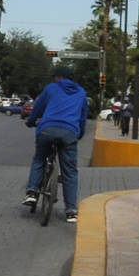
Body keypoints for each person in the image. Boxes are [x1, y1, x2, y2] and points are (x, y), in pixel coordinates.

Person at [22, 65, 88, 223]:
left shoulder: (51, 88)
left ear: (58, 77)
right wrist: (79, 134)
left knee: (39, 159)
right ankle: (71, 211)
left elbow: (37, 108)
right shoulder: (81, 92)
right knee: (70, 172)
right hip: (69, 133)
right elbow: (83, 117)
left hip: (47, 130)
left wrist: (31, 121)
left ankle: (32, 193)